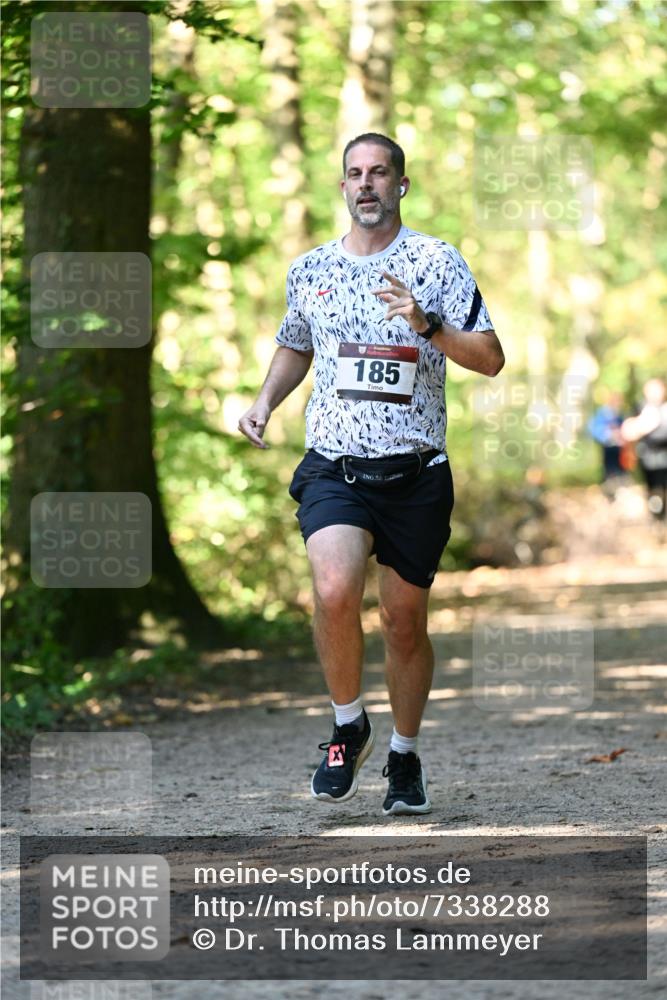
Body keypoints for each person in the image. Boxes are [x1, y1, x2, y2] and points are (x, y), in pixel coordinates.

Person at [239, 133, 504, 816]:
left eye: (378, 173)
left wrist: (428, 324)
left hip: (415, 472)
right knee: (331, 590)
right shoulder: (311, 269)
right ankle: (346, 723)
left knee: (403, 621)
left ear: (400, 185)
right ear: (342, 187)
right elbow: (295, 343)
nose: (366, 184)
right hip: (334, 465)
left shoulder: (435, 261)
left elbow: (490, 358)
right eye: (354, 174)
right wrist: (265, 401)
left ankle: (404, 756)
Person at [622, 377, 667, 523]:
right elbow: (627, 431)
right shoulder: (640, 407)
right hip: (649, 456)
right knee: (654, 489)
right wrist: (643, 424)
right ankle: (657, 518)